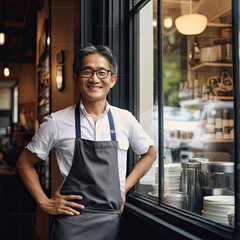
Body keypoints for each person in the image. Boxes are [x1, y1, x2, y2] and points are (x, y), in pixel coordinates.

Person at [17, 44, 157, 240]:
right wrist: (45, 203)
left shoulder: (124, 119)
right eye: (87, 71)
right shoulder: (56, 122)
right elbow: (24, 163)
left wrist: (124, 188)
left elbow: (150, 153)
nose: (94, 78)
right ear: (76, 77)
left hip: (111, 222)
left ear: (112, 80)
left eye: (102, 72)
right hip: (71, 222)